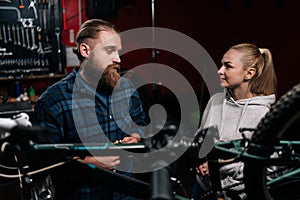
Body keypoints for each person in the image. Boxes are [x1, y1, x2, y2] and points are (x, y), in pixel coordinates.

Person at [34, 19, 146, 200]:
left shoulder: (126, 89)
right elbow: (41, 165)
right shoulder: (53, 102)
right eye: (110, 51)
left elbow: (140, 124)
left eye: (118, 51)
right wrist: (88, 163)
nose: (118, 59)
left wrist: (136, 138)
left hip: (126, 194)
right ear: (86, 51)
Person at [191, 43, 277, 199]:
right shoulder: (216, 100)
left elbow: (269, 170)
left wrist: (219, 167)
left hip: (237, 195)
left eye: (228, 66)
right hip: (203, 187)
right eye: (221, 64)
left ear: (249, 73)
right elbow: (201, 138)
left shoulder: (263, 114)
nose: (220, 70)